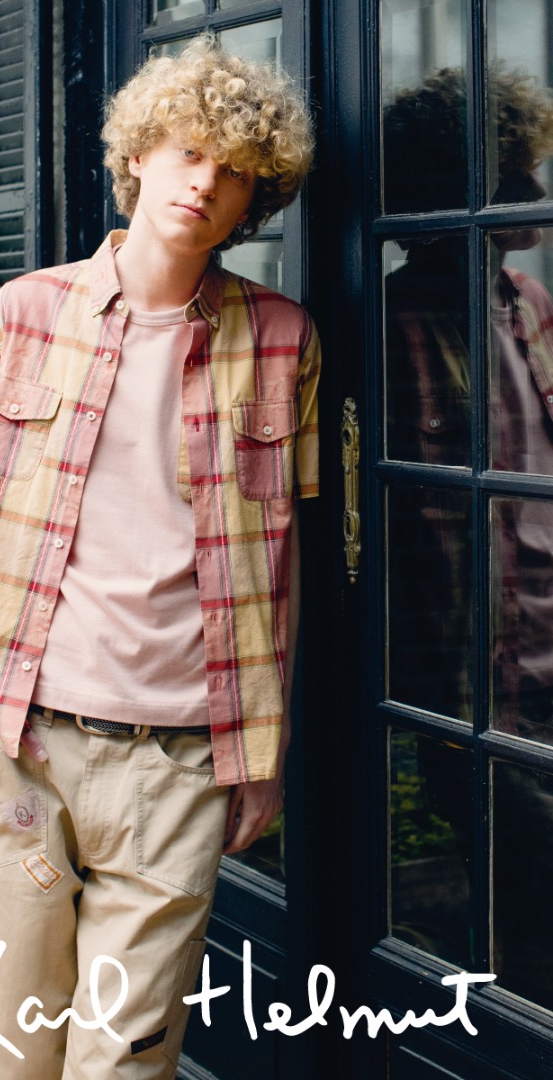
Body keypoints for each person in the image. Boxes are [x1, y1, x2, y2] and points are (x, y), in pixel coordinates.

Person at [0, 35, 320, 1079]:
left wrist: (263, 748)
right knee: (16, 1050)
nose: (206, 183)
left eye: (237, 170)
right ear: (138, 153)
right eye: (189, 151)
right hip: (28, 737)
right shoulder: (24, 313)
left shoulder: (283, 337)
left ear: (256, 197)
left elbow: (283, 560)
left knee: (123, 1064)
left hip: (181, 759)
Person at [383, 64, 553, 1007]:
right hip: (468, 683)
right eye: (510, 170)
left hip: (546, 644)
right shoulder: (388, 323)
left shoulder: (526, 303)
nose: (533, 189)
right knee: (522, 906)